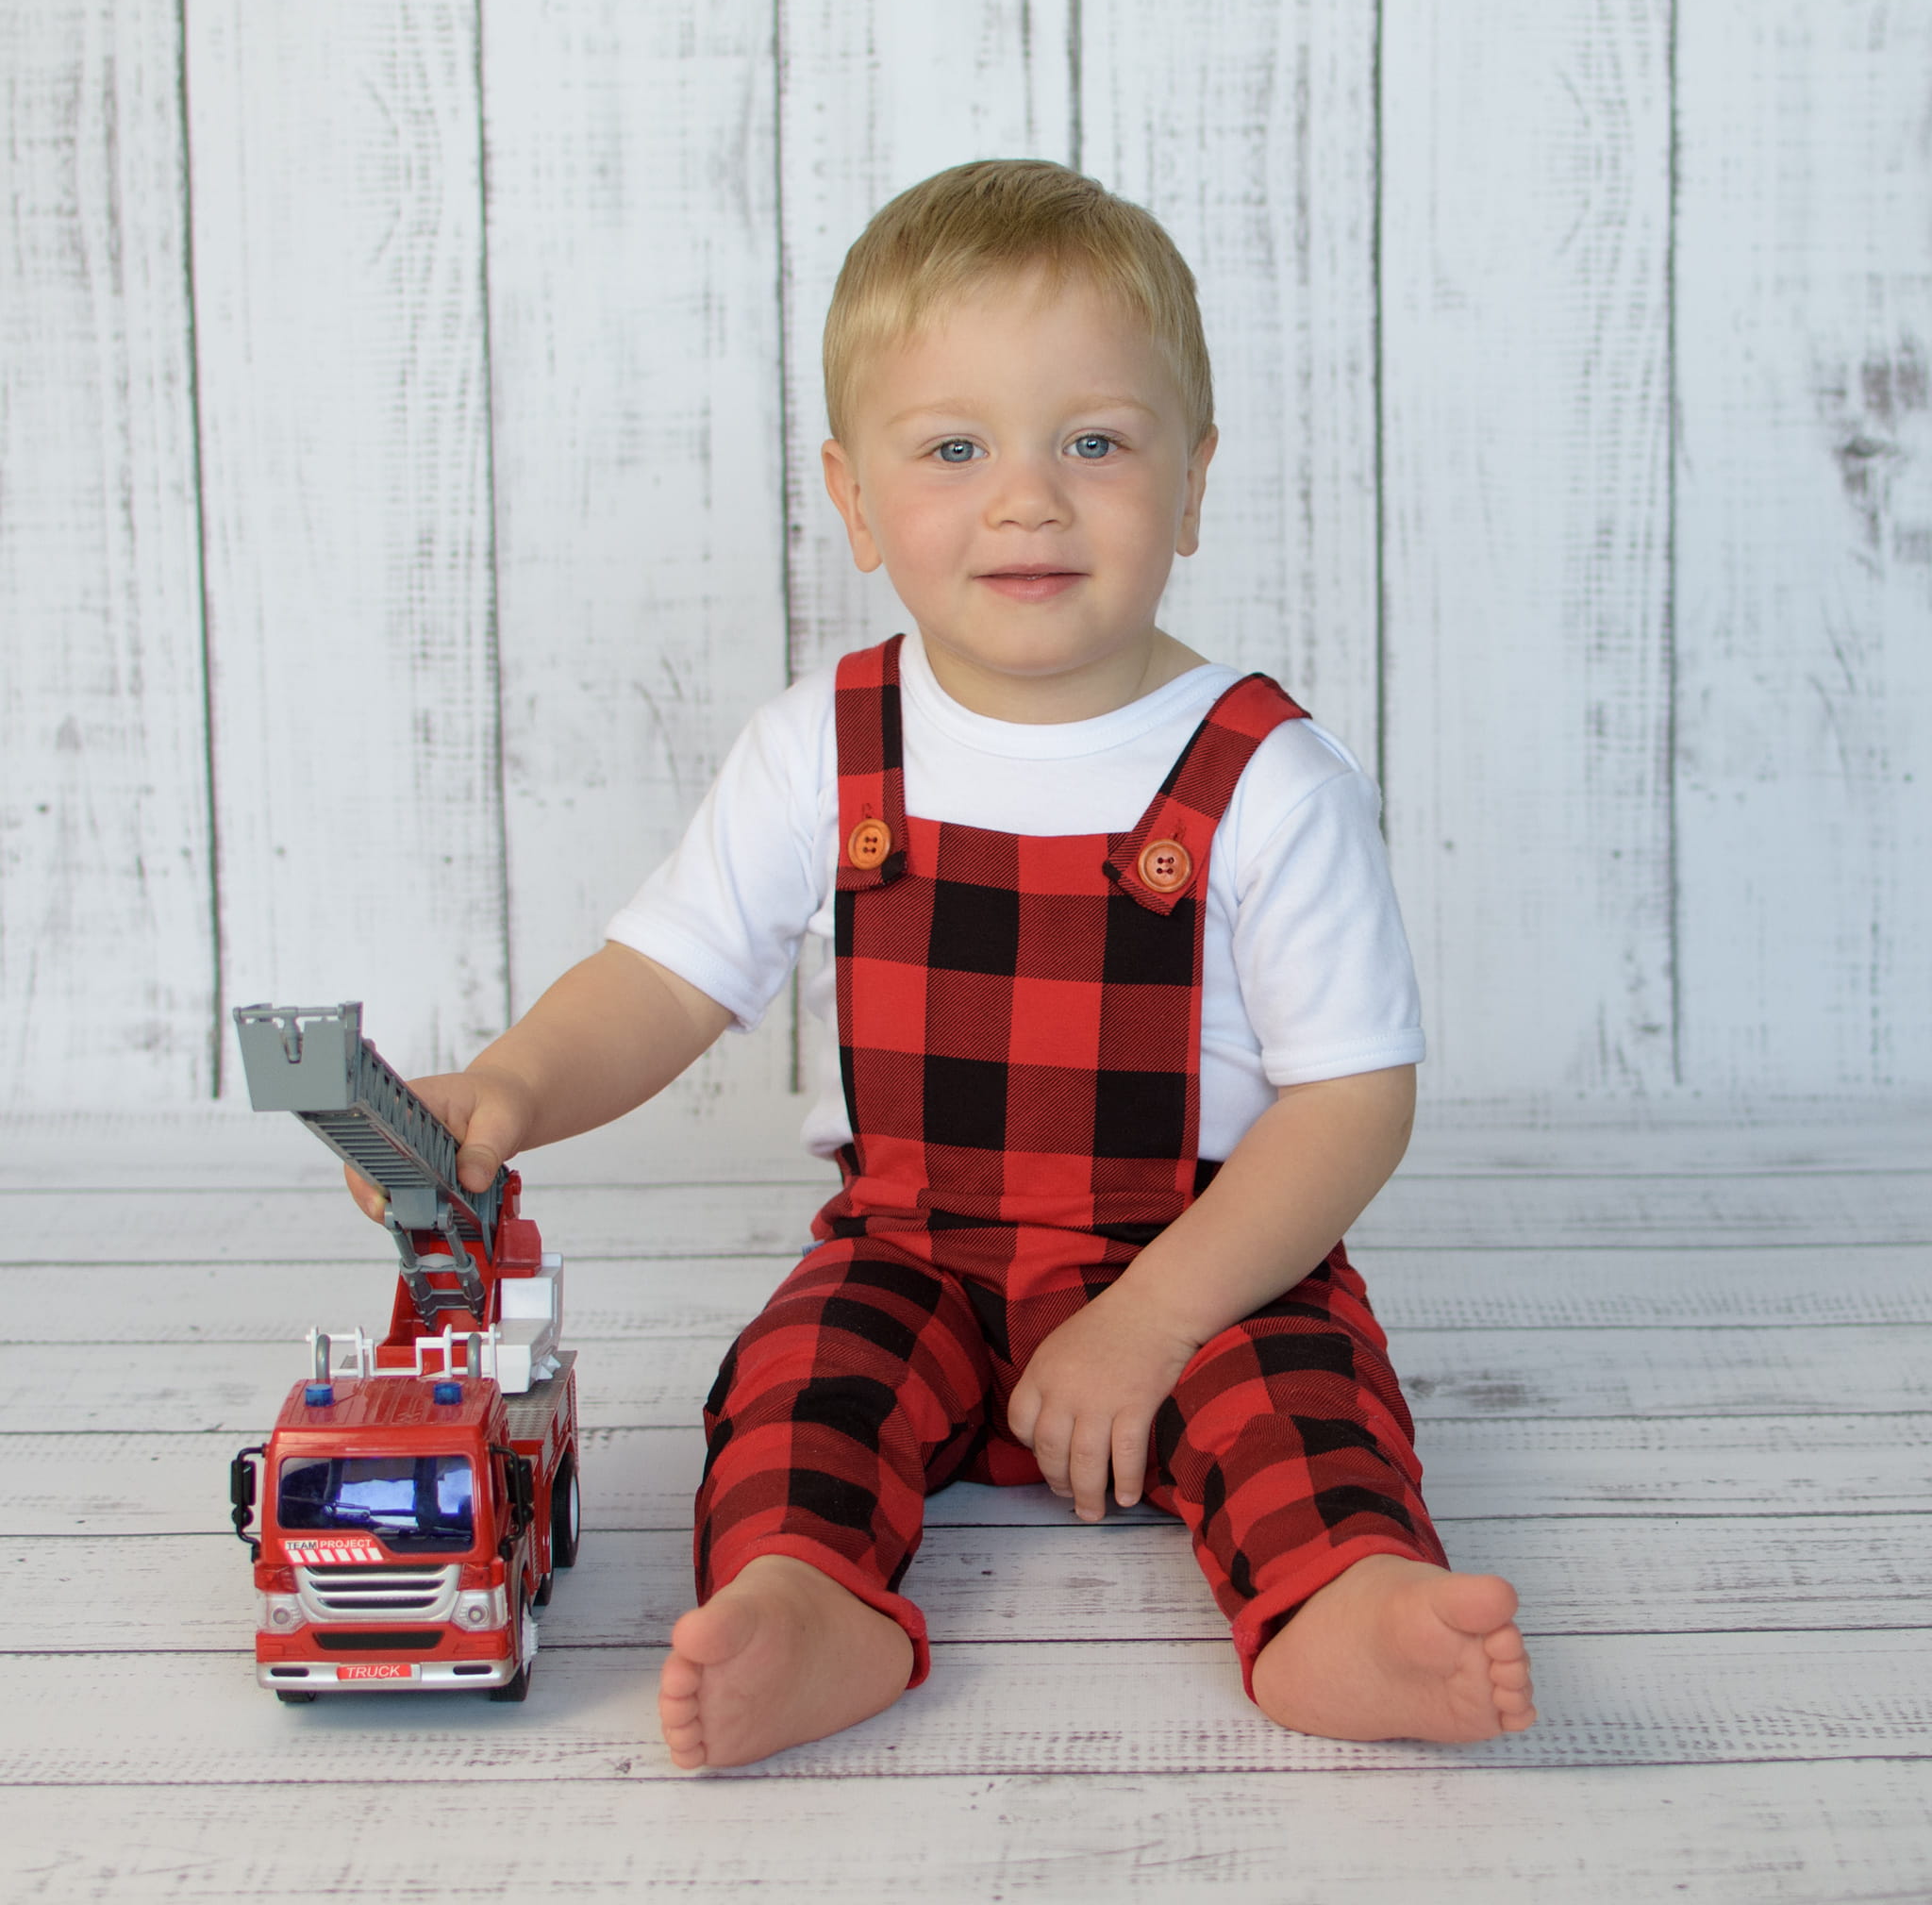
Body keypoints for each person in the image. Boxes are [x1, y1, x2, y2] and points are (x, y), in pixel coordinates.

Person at [351, 159, 1535, 1767]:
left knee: (1299, 1405)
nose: (1027, 498)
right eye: (955, 448)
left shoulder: (1266, 776)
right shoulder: (824, 747)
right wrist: (511, 1087)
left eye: (1095, 443)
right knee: (799, 1384)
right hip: (914, 1251)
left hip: (1198, 1257)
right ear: (853, 500)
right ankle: (805, 1604)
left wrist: (1153, 1321)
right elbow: (665, 977)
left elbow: (1351, 1105)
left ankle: (1350, 1611)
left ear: (1193, 484)